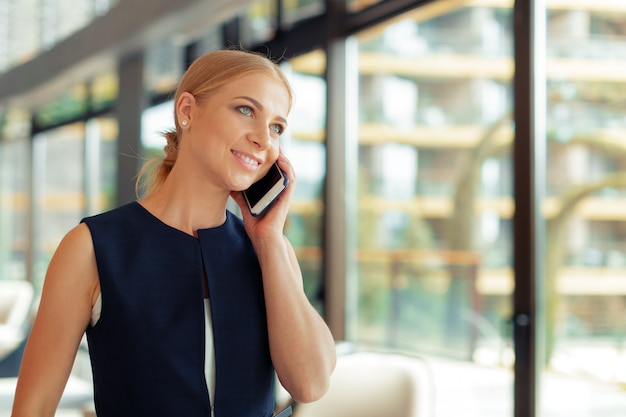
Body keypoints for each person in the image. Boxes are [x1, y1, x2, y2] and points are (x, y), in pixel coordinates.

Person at [11, 49, 336, 417]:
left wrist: (269, 240)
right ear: (187, 111)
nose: (264, 139)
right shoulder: (92, 248)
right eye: (246, 110)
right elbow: (33, 409)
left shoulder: (267, 249)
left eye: (277, 127)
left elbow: (310, 384)